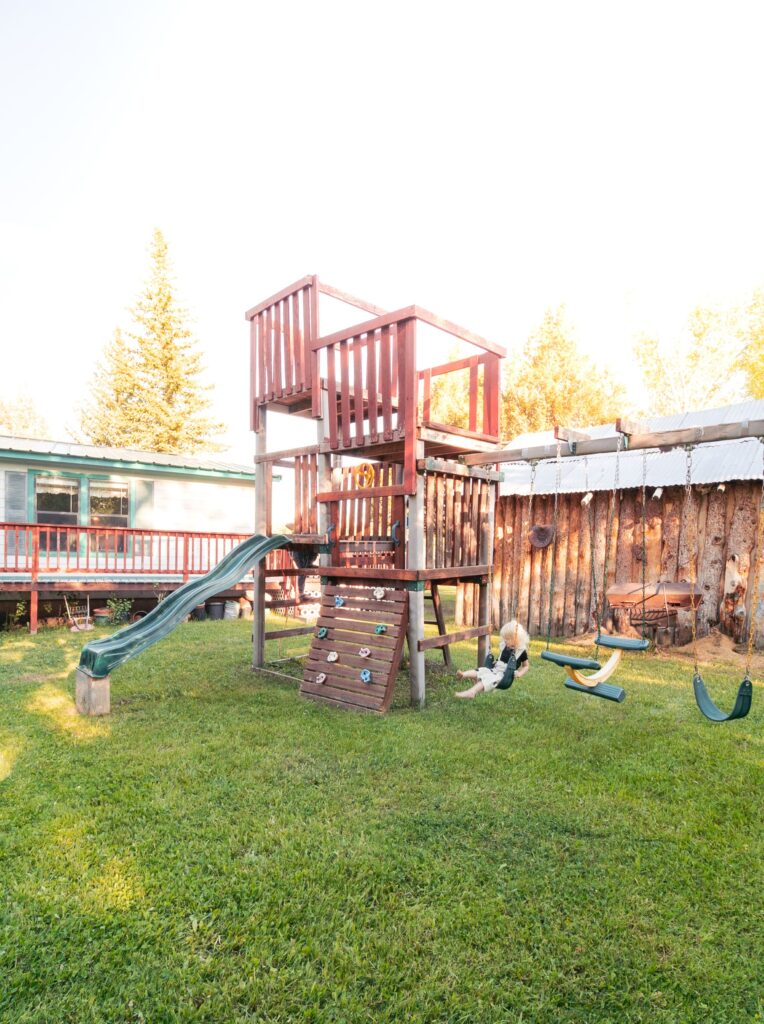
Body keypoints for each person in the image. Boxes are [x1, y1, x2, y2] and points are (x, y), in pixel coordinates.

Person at [454, 620, 530, 699]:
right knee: (482, 670)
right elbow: (501, 658)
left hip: (504, 675)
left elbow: (526, 666)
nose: (505, 640)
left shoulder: (521, 651)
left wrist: (519, 674)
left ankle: (471, 692)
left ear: (516, 639)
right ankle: (463, 675)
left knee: (488, 679)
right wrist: (495, 662)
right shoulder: (505, 645)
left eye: (507, 638)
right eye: (505, 638)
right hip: (495, 669)